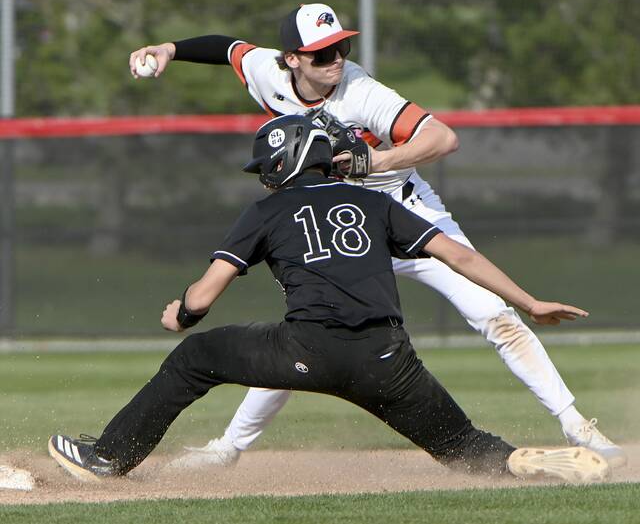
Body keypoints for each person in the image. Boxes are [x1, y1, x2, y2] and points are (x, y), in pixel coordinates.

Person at [129, 3, 625, 469]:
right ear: (293, 60)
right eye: (323, 53)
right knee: (306, 335)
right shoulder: (268, 72)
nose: (337, 60)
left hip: (403, 210)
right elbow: (227, 48)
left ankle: (575, 424)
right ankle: (228, 448)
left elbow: (443, 138)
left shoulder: (361, 92)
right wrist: (170, 49)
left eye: (342, 47)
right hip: (336, 225)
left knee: (495, 314)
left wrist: (380, 159)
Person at [48, 115, 610, 485]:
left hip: (307, 349)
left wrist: (184, 314)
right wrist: (530, 302)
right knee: (462, 445)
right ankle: (523, 461)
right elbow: (459, 257)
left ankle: (110, 457)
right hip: (389, 359)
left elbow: (206, 292)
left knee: (194, 359)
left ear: (284, 165)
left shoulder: (265, 212)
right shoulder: (375, 203)